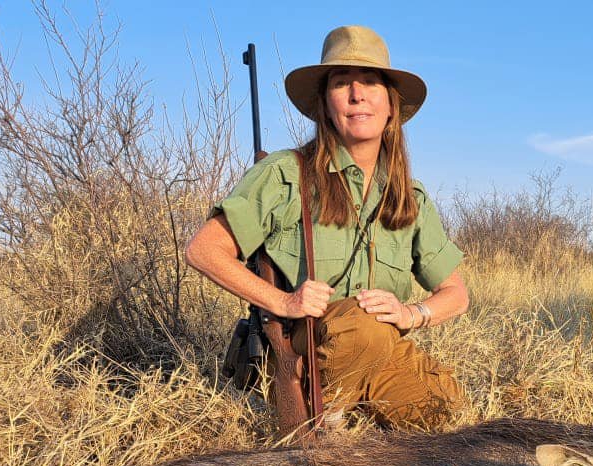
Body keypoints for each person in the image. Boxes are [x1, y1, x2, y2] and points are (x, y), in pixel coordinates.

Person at [187, 25, 469, 434]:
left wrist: (412, 313)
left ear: (391, 104)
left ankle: (354, 404)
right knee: (359, 323)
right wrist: (284, 303)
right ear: (325, 103)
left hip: (379, 348)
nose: (357, 94)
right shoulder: (286, 173)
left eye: (370, 82)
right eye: (342, 83)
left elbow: (456, 294)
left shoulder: (409, 195)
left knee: (447, 406)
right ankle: (330, 427)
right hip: (310, 346)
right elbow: (203, 250)